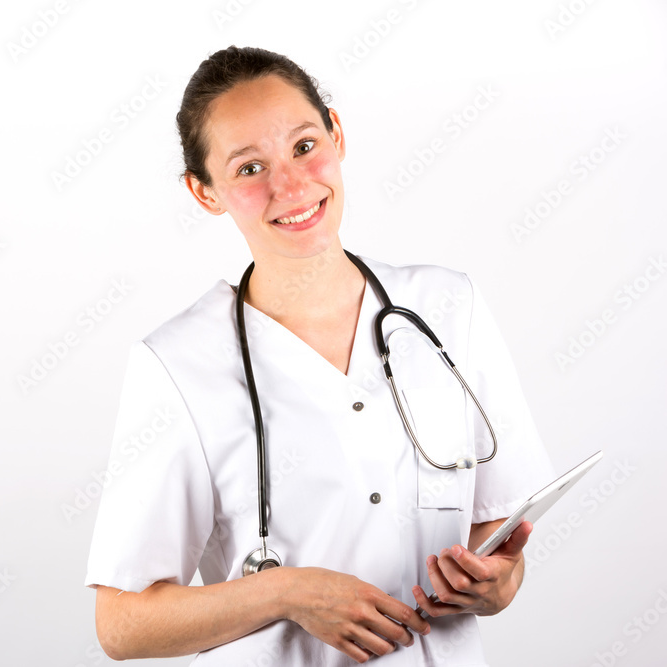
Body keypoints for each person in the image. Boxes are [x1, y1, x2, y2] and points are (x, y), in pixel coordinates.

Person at [84, 46, 554, 665]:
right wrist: (285, 592)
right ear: (205, 192)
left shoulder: (449, 309)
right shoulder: (178, 365)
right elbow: (121, 625)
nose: (290, 185)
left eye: (305, 146)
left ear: (336, 133)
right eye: (249, 168)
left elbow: (499, 557)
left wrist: (495, 586)